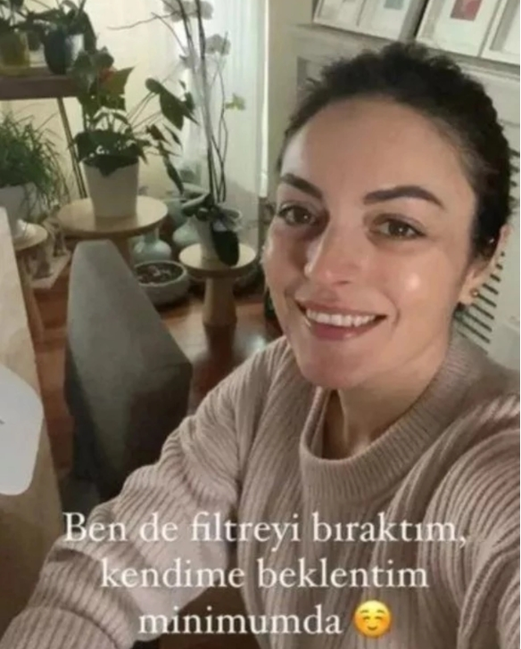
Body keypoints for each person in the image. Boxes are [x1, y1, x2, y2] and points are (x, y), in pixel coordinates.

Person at [1, 42, 518, 649]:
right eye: (299, 212)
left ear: (482, 261)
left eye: (397, 226)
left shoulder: (495, 472)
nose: (323, 268)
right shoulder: (273, 383)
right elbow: (110, 565)